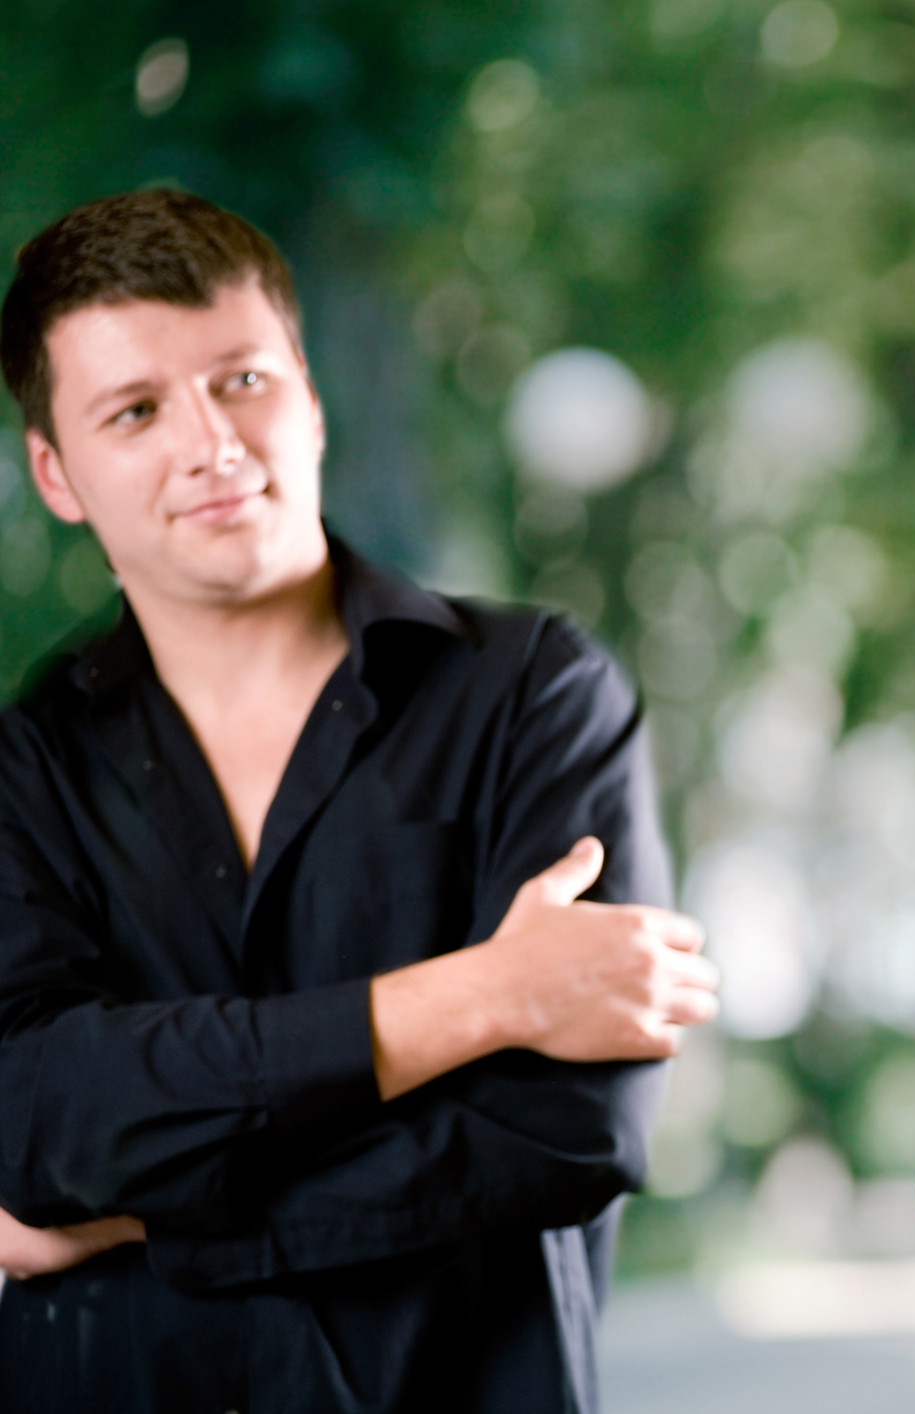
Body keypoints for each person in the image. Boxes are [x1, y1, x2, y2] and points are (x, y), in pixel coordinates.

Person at [0, 189, 719, 1412]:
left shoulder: (534, 694)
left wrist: (143, 1218)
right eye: (135, 410)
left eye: (241, 380)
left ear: (311, 396)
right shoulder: (26, 767)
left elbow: (567, 1131)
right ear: (58, 475)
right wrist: (486, 993)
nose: (212, 442)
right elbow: (35, 1117)